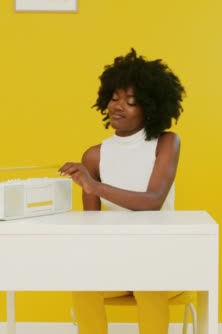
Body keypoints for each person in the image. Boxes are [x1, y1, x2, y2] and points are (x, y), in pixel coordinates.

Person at [58, 48, 186, 334]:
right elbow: (91, 224)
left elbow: (153, 201)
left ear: (151, 107)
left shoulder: (166, 143)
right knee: (83, 285)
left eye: (130, 102)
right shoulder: (94, 156)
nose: (118, 106)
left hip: (160, 259)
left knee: (149, 285)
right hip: (115, 259)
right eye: (114, 99)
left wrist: (96, 185)